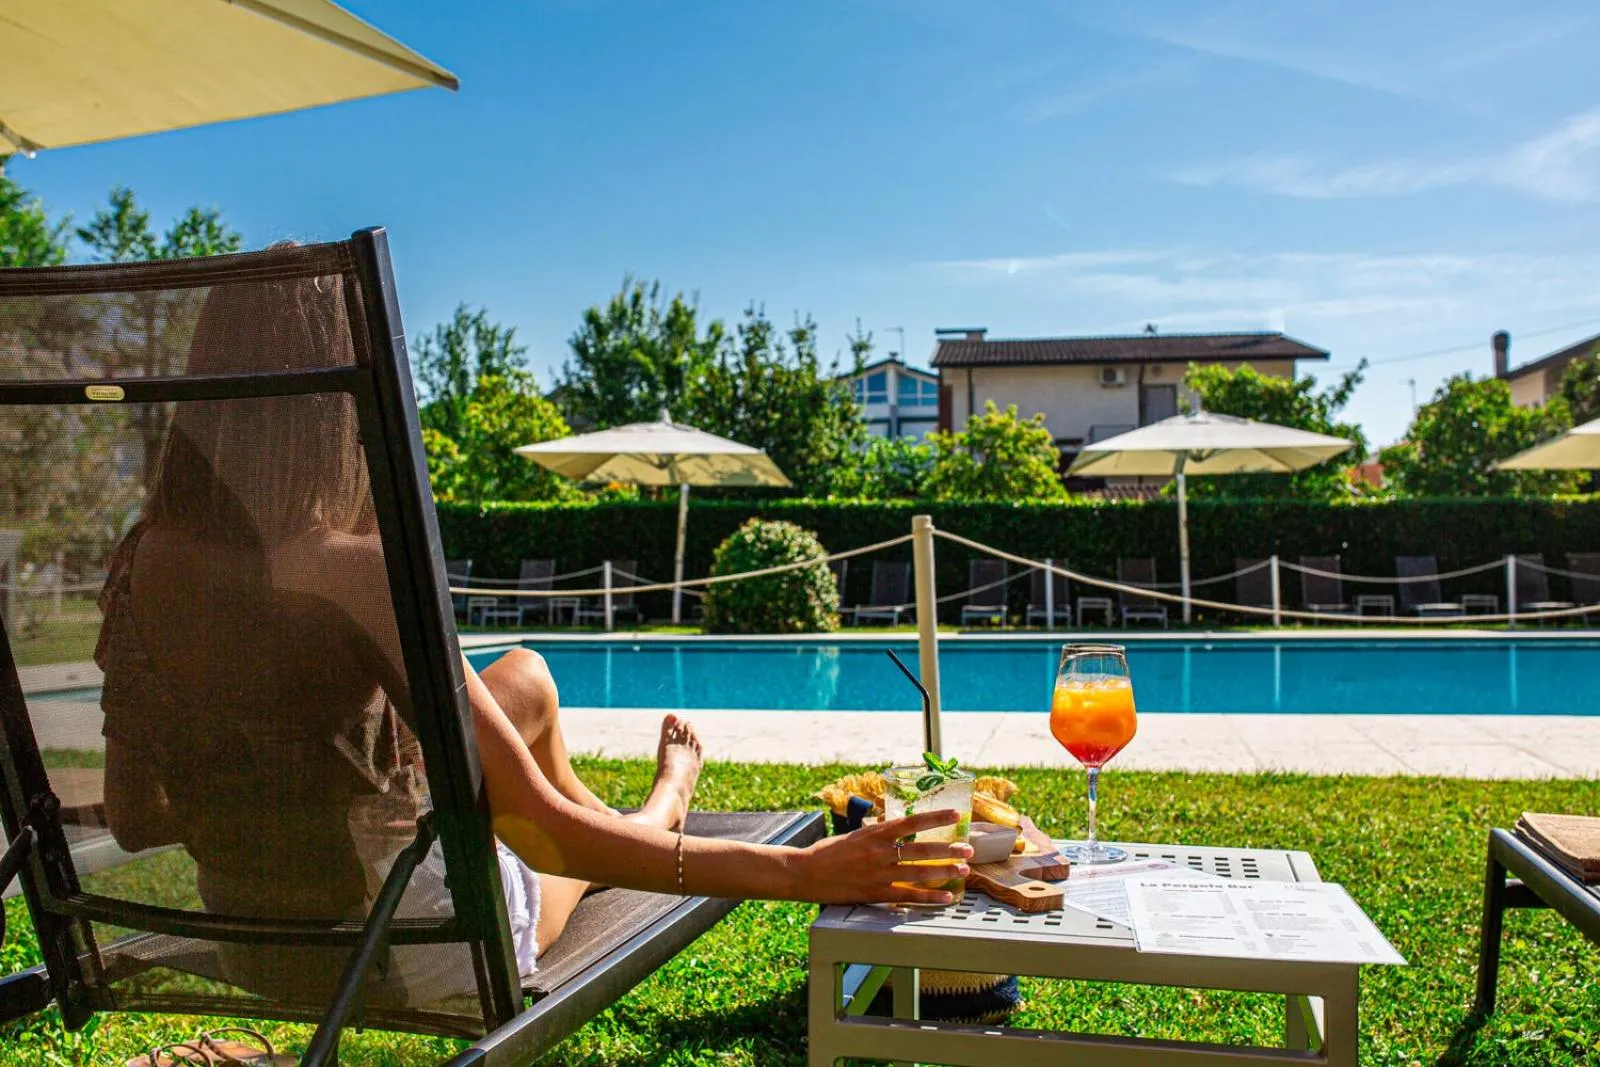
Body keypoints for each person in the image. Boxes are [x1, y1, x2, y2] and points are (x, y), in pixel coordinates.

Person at [97, 260, 969, 983]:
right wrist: (798, 869)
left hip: (257, 943)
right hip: (400, 947)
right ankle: (664, 804)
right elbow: (540, 837)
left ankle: (627, 807)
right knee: (567, 842)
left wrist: (278, 800)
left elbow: (135, 816)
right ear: (339, 401)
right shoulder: (349, 569)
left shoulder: (140, 563)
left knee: (529, 675)